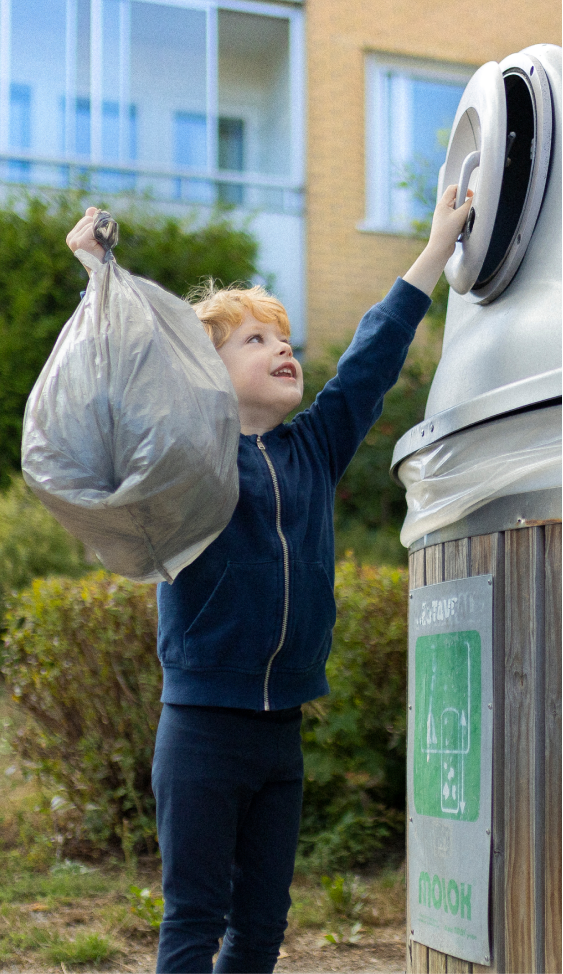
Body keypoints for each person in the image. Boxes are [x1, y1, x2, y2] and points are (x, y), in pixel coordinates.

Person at [66, 184, 473, 974]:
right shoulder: (189, 456)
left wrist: (432, 253)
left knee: (260, 927)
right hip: (200, 730)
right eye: (253, 340)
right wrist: (97, 272)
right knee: (193, 919)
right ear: (206, 372)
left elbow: (371, 357)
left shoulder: (313, 448)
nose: (280, 348)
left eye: (281, 337)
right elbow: (122, 376)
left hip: (280, 728)